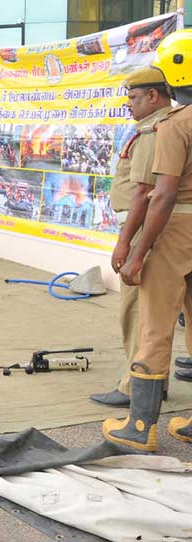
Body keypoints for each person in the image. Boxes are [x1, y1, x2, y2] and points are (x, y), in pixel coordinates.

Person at [104, 30, 192, 450]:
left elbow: (160, 195)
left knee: (155, 326)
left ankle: (140, 428)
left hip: (175, 233)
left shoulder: (175, 126)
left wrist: (135, 253)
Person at [90, 68, 173, 408]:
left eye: (134, 98)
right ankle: (153, 382)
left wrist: (127, 244)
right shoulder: (165, 125)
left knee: (137, 310)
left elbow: (144, 193)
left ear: (154, 96)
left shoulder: (155, 130)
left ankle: (135, 385)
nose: (129, 105)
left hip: (145, 228)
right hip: (155, 227)